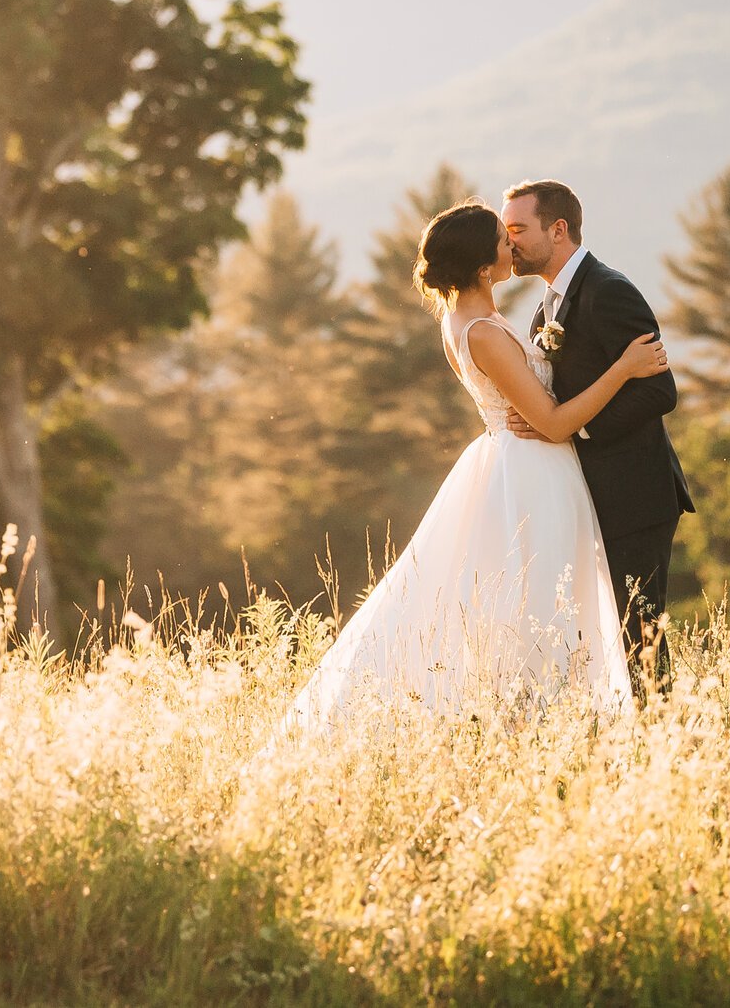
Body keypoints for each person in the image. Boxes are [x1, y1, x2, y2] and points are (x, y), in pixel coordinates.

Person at [281, 199, 668, 727]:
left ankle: (555, 716)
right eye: (503, 241)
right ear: (485, 267)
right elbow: (552, 423)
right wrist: (623, 368)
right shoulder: (482, 331)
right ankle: (539, 717)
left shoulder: (469, 319)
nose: (512, 246)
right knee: (541, 599)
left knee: (533, 598)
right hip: (533, 470)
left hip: (516, 461)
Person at [498, 178, 693, 687]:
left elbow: (660, 391)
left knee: (642, 639)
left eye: (517, 228)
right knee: (612, 639)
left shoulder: (609, 290)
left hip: (635, 496)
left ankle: (665, 746)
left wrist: (571, 432)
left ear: (558, 229)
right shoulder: (547, 308)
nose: (508, 241)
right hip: (588, 499)